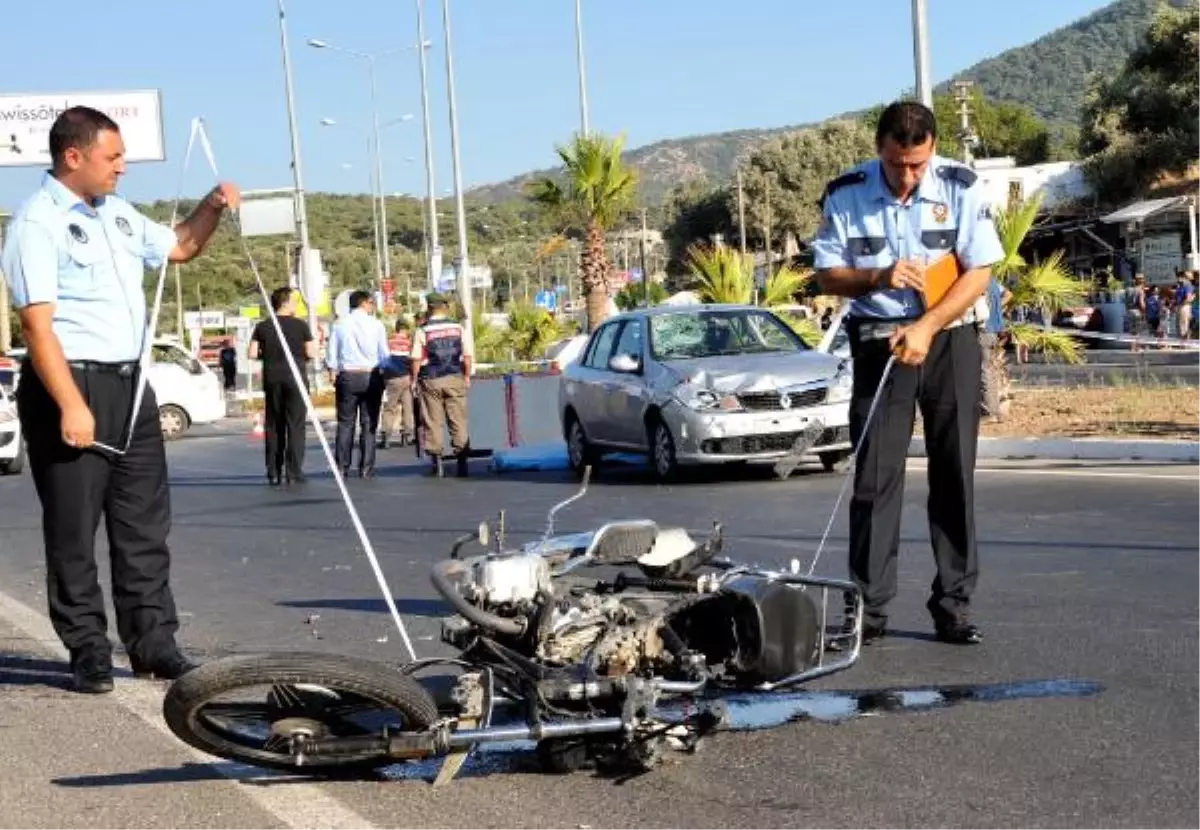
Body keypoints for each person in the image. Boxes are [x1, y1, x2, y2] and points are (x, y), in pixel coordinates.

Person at [0, 106, 240, 693]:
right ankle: (86, 648)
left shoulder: (120, 215)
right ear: (73, 157)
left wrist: (211, 207)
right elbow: (37, 326)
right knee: (74, 527)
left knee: (143, 525)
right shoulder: (37, 224)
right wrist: (70, 405)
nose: (123, 168)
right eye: (113, 158)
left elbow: (181, 248)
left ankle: (153, 641)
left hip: (133, 384)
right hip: (71, 385)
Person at [813, 101, 1005, 646]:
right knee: (875, 480)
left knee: (953, 474)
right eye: (898, 164)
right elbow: (827, 275)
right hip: (880, 343)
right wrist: (876, 275)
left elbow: (980, 272)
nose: (908, 176)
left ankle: (954, 606)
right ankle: (866, 613)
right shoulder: (846, 193)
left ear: (934, 150)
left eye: (918, 164)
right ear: (880, 150)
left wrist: (928, 324)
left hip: (949, 339)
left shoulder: (960, 187)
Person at [249, 286, 316, 485]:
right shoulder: (300, 325)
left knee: (273, 424)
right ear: (285, 302)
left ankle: (273, 470)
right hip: (295, 378)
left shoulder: (263, 326)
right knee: (295, 424)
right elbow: (311, 353)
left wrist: (267, 354)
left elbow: (252, 353)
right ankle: (294, 471)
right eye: (294, 300)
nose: (296, 304)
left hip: (272, 378)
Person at [326, 290, 389, 478]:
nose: (373, 307)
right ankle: (366, 467)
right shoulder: (376, 325)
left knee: (346, 423)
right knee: (369, 424)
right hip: (371, 375)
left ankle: (342, 466)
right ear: (364, 303)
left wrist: (332, 371)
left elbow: (332, 355)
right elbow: (384, 355)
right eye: (371, 303)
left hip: (348, 376)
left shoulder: (339, 325)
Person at [410, 294, 474, 478]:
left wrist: (414, 380)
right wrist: (467, 376)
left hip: (431, 378)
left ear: (429, 308)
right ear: (444, 307)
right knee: (458, 419)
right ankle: (462, 460)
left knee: (433, 420)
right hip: (455, 376)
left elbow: (416, 358)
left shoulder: (423, 330)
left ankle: (437, 463)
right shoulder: (458, 327)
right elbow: (467, 356)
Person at [378, 319, 415, 449]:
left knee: (390, 408)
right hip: (407, 378)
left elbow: (382, 360)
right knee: (407, 407)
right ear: (406, 329)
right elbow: (414, 360)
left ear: (396, 328)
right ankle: (406, 435)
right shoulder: (410, 343)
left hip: (391, 379)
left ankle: (386, 437)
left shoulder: (388, 342)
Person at [979, 277, 1009, 420]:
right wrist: (997, 309)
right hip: (995, 330)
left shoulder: (978, 282)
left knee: (983, 370)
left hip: (984, 329)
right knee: (989, 370)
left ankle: (989, 410)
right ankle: (995, 409)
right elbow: (1009, 294)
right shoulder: (993, 282)